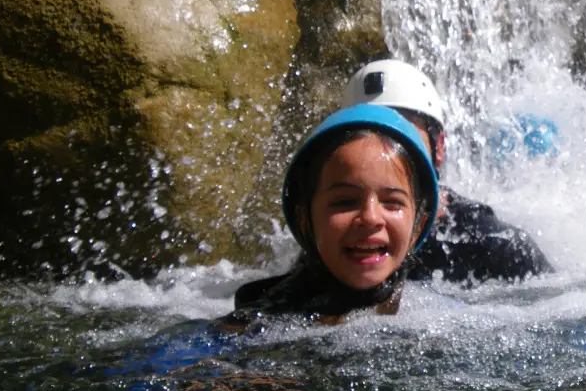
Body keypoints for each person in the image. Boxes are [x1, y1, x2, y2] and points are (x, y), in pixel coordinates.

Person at [339, 59, 552, 285]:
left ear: (439, 147)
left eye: (402, 136)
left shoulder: (495, 245)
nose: (384, 151)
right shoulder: (335, 241)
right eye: (367, 135)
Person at [226, 104, 439, 324]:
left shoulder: (437, 317)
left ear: (419, 227)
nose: (371, 217)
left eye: (392, 203)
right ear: (304, 222)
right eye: (345, 202)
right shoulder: (252, 327)